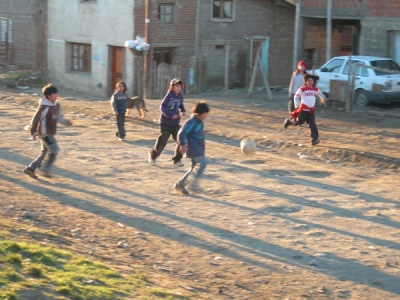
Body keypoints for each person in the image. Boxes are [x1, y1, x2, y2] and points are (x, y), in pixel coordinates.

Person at [24, 84, 73, 179]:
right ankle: (45, 168)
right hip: (44, 133)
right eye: (54, 94)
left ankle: (31, 168)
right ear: (48, 95)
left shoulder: (56, 105)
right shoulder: (44, 107)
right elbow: (35, 119)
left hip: (49, 132)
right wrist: (33, 132)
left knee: (44, 152)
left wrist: (66, 122)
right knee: (54, 149)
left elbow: (58, 117)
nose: (56, 96)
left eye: (56, 94)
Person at [148, 78, 186, 167]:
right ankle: (153, 156)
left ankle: (177, 160)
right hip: (165, 124)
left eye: (179, 86)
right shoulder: (169, 96)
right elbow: (162, 107)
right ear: (172, 87)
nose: (178, 88)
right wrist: (170, 114)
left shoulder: (180, 96)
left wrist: (183, 110)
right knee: (162, 141)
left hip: (175, 123)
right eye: (176, 86)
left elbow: (180, 103)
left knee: (181, 139)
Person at [173, 102, 210, 195]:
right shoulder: (192, 122)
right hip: (193, 149)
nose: (206, 116)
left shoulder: (199, 122)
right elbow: (182, 133)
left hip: (198, 149)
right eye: (205, 114)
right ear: (200, 113)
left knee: (193, 168)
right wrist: (182, 144)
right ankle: (193, 185)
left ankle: (180, 184)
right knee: (203, 163)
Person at [283, 74, 326, 146]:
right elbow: (296, 96)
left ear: (314, 82)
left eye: (311, 80)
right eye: (308, 80)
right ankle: (289, 121)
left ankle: (314, 139)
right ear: (306, 81)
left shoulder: (315, 89)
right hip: (303, 110)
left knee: (312, 125)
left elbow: (321, 94)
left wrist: (323, 99)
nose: (309, 82)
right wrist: (297, 105)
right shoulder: (302, 89)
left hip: (311, 111)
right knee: (298, 122)